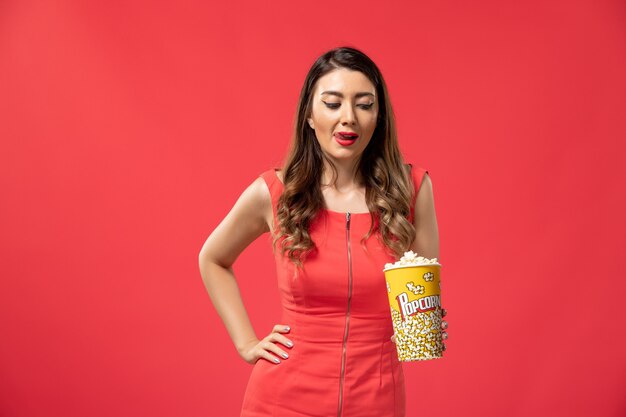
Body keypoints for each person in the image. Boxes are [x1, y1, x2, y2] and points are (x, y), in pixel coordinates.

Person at [198, 46, 448, 417]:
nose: (348, 118)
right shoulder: (276, 193)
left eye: (364, 104)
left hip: (376, 400)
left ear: (378, 117)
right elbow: (213, 258)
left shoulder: (411, 190)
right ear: (310, 116)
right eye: (332, 104)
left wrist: (429, 320)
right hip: (282, 400)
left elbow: (420, 305)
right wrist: (246, 342)